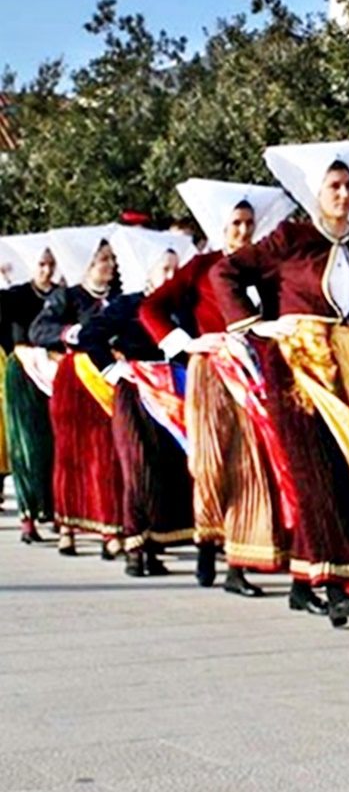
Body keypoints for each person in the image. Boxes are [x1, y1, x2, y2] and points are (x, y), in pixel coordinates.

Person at [210, 140, 349, 628]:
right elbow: (226, 271)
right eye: (334, 186)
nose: (344, 195)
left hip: (347, 367)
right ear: (316, 192)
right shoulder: (291, 239)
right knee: (316, 472)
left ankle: (305, 584)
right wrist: (254, 324)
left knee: (338, 471)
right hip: (295, 366)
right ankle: (332, 582)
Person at [142, 178, 296, 594]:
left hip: (252, 374)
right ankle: (206, 541)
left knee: (249, 465)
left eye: (248, 224)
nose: (243, 232)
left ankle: (237, 564)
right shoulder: (202, 267)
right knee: (209, 462)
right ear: (221, 227)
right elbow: (150, 307)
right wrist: (185, 342)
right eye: (236, 224)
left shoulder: (264, 268)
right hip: (210, 371)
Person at [77, 239, 190, 577]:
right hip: (136, 392)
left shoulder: (182, 305)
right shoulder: (128, 305)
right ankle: (134, 546)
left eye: (175, 268)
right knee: (137, 466)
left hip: (171, 391)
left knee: (165, 469)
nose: (170, 275)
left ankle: (155, 545)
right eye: (164, 269)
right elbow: (90, 336)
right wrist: (113, 370)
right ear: (149, 273)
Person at [30, 230, 124, 557]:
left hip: (109, 379)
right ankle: (67, 526)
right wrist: (69, 333)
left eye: (112, 259)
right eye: (103, 259)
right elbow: (38, 330)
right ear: (87, 264)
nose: (109, 265)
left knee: (108, 454)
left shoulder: (120, 297)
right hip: (76, 382)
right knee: (71, 456)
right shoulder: (67, 297)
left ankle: (109, 529)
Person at [1, 239, 60, 544]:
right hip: (22, 372)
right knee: (25, 445)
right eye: (41, 264)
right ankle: (27, 515)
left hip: (54, 372)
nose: (47, 270)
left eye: (51, 263)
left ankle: (52, 509)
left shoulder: (62, 297)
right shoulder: (14, 296)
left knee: (53, 443)